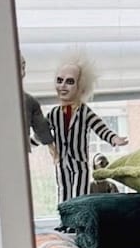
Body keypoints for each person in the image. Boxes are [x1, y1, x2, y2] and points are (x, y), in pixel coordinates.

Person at [47, 50, 127, 204]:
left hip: (79, 164)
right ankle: (65, 217)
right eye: (60, 80)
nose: (63, 85)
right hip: (61, 163)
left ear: (81, 89)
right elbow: (42, 132)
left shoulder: (84, 112)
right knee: (63, 193)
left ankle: (79, 217)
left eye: (70, 82)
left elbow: (100, 128)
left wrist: (113, 138)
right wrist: (29, 143)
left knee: (79, 196)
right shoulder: (54, 114)